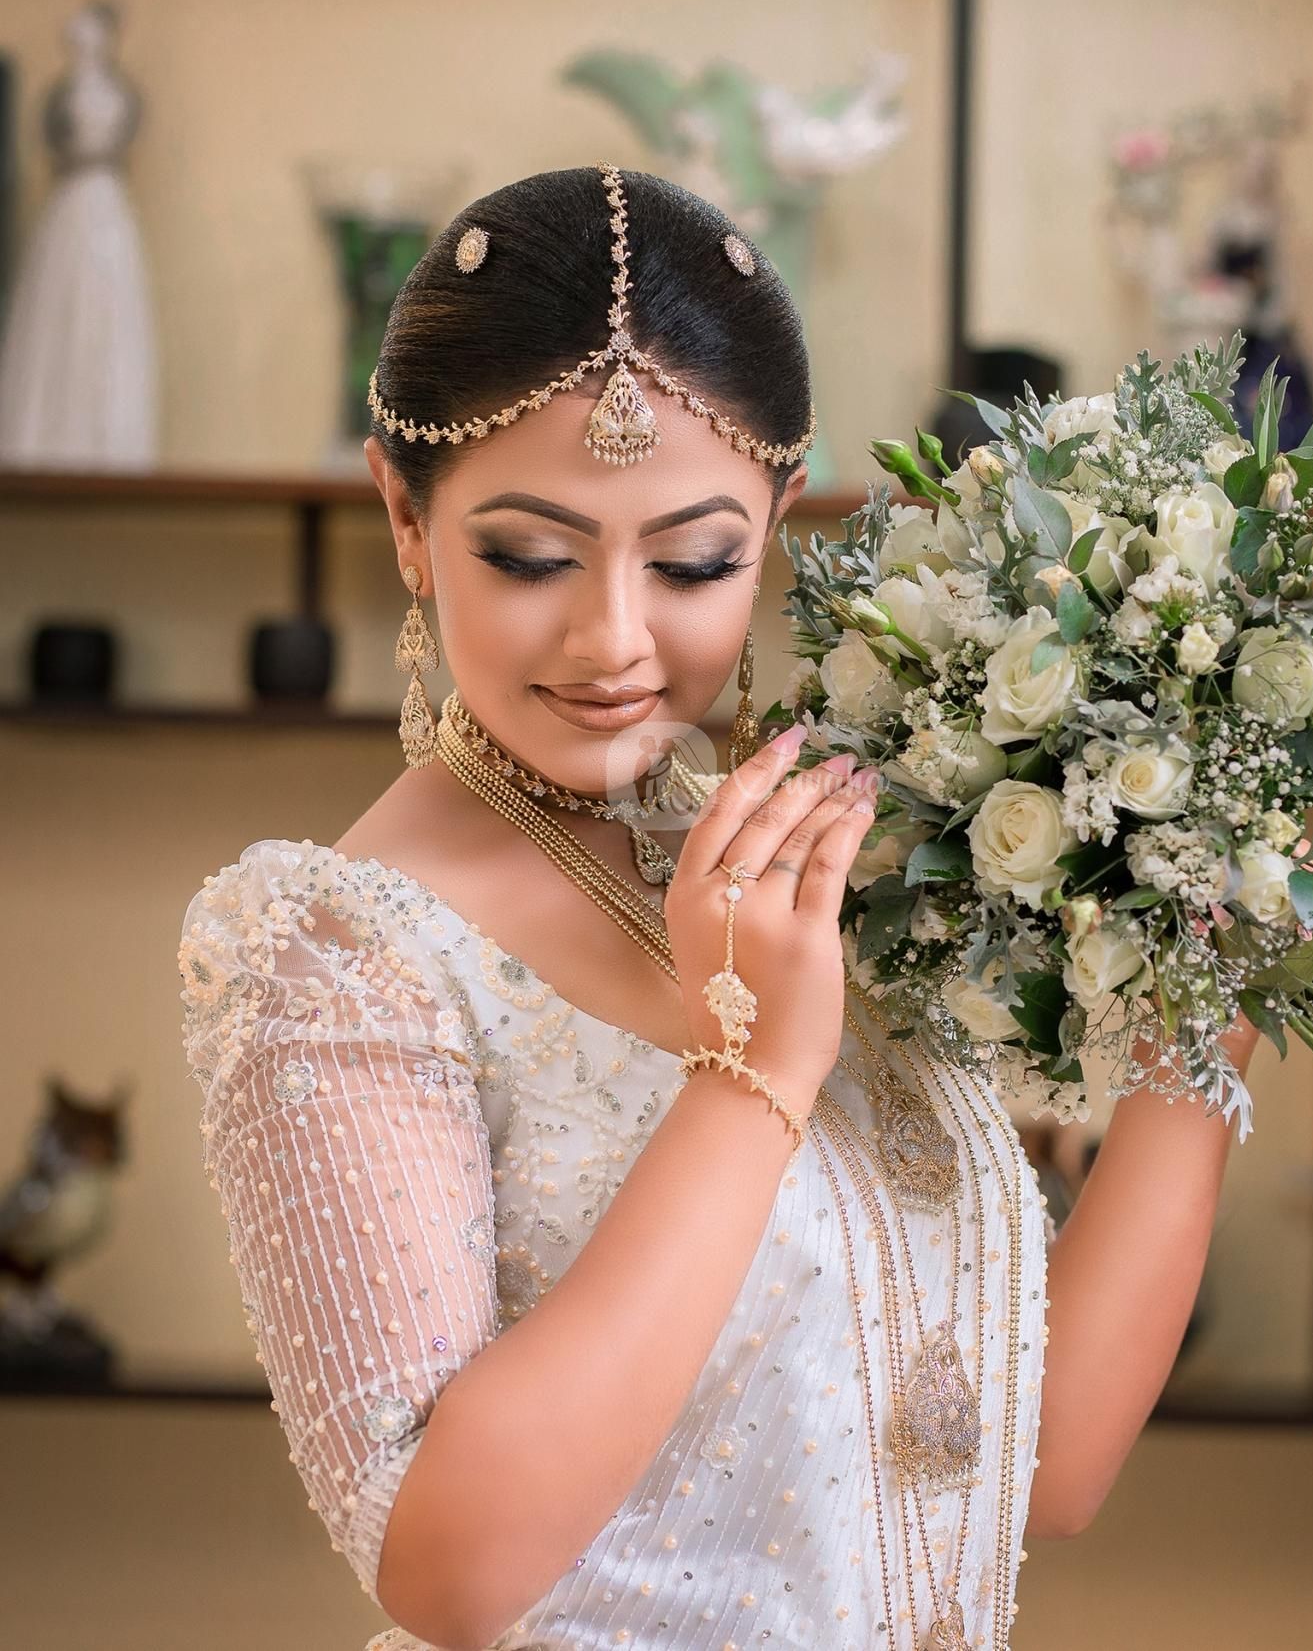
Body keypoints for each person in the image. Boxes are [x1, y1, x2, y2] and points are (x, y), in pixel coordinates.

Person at [177, 163, 1258, 1651]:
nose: (614, 639)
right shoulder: (336, 952)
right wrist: (751, 1072)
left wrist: (1217, 995)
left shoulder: (811, 852)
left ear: (776, 518)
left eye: (694, 562)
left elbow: (1035, 1460)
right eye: (530, 556)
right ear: (405, 518)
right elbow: (447, 1567)